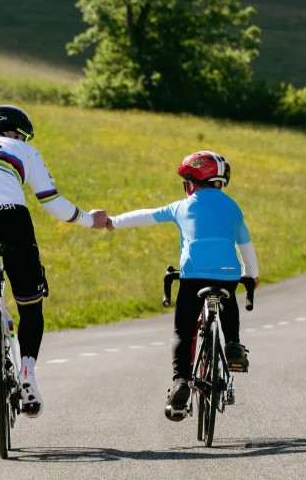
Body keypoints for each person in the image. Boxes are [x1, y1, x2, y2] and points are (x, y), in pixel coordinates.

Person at [0, 104, 109, 418]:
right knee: (30, 303)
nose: (22, 139)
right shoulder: (22, 151)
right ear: (9, 131)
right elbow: (51, 202)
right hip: (11, 220)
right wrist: (91, 220)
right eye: (21, 134)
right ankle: (28, 374)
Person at [108, 150, 260, 421]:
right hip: (227, 273)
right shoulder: (233, 207)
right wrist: (252, 274)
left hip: (193, 275)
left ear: (192, 182)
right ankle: (234, 345)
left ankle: (180, 381)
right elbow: (245, 245)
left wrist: (113, 223)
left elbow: (147, 215)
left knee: (184, 331)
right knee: (227, 300)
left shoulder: (182, 206)